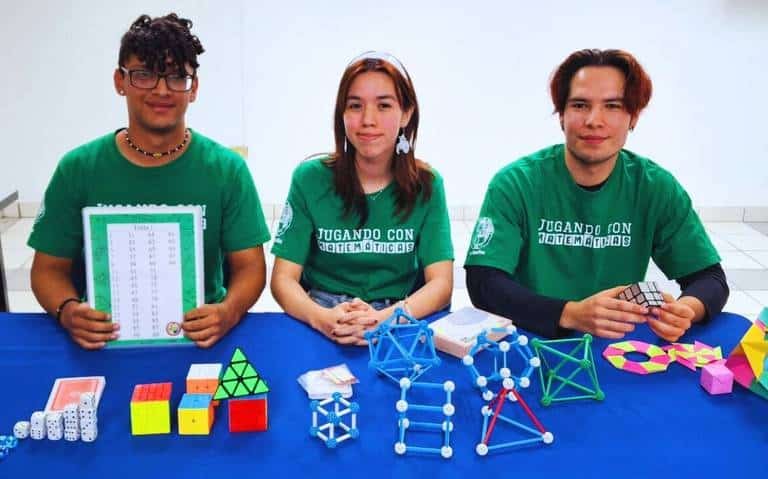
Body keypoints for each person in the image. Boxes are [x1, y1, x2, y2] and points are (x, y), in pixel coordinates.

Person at [28, 13, 270, 349]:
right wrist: (68, 311)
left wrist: (228, 311)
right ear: (120, 81)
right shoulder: (78, 168)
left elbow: (251, 268)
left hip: (203, 337)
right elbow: (47, 270)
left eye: (177, 77)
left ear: (193, 88)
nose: (161, 90)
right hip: (102, 340)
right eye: (144, 75)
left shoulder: (227, 170)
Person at [465, 48, 728, 342]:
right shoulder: (516, 183)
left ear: (633, 117)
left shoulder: (655, 187)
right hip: (528, 342)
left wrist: (685, 310)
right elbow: (483, 283)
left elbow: (710, 279)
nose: (594, 120)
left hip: (612, 347)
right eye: (580, 105)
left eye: (613, 106)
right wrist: (571, 313)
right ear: (561, 115)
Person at [271, 51, 453, 346]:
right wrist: (322, 318)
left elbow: (441, 284)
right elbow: (282, 279)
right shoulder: (309, 178)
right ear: (342, 114)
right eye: (355, 106)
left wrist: (383, 320)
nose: (368, 120)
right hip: (321, 314)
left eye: (384, 105)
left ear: (406, 114)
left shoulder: (427, 185)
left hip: (398, 315)